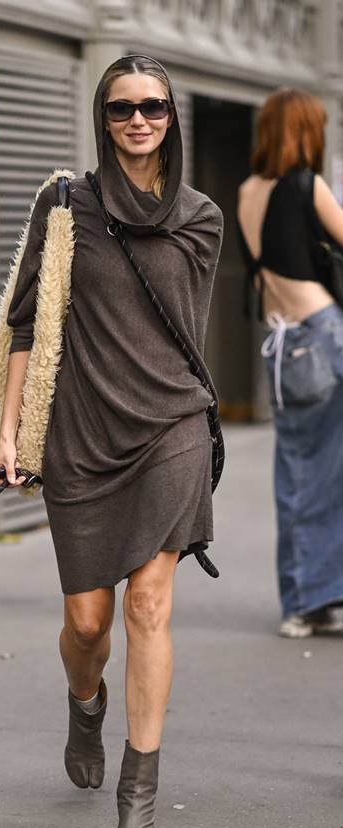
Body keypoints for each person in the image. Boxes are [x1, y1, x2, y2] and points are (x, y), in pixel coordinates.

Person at [0, 54, 223, 828]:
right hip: (83, 436)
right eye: (121, 109)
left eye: (153, 107)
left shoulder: (201, 218)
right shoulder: (64, 208)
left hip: (171, 429)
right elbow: (25, 324)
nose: (138, 121)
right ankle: (84, 703)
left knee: (146, 606)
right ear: (103, 116)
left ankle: (139, 793)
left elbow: (183, 332)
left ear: (171, 117)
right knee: (87, 624)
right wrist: (9, 436)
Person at [237, 88, 343, 639]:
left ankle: (314, 595)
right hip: (322, 334)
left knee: (304, 468)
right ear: (303, 131)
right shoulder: (306, 184)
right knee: (315, 471)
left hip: (282, 342)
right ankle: (306, 599)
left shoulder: (248, 191)